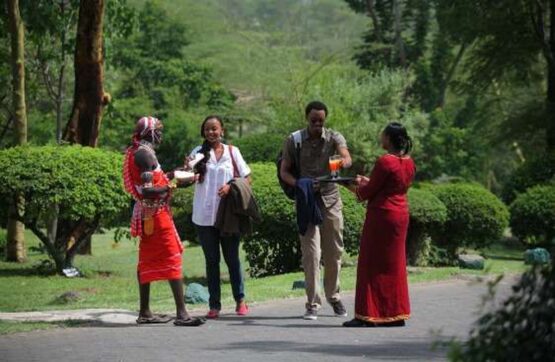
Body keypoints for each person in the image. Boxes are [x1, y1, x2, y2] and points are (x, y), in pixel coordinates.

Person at [123, 116, 204, 327]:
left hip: (149, 215)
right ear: (149, 133)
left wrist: (180, 173)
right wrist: (174, 184)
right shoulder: (143, 154)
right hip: (156, 216)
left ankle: (145, 312)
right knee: (172, 256)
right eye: (158, 131)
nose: (161, 135)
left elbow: (156, 179)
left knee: (147, 260)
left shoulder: (141, 151)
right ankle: (182, 314)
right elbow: (149, 191)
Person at [279, 101, 352, 320]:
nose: (317, 125)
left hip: (330, 199)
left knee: (334, 252)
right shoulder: (294, 140)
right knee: (311, 254)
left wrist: (341, 162)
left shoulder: (333, 137)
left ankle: (334, 297)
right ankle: (312, 303)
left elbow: (347, 157)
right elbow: (284, 172)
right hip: (307, 199)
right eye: (313, 121)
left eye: (321, 121)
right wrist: (300, 184)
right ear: (306, 119)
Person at [343, 122, 415, 327]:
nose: (380, 138)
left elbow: (367, 193)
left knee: (370, 263)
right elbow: (390, 186)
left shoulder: (385, 162)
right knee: (395, 265)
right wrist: (368, 180)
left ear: (389, 139)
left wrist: (348, 185)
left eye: (383, 135)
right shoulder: (409, 162)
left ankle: (366, 315)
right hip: (400, 215)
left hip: (382, 216)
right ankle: (395, 313)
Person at [187, 115, 252, 319]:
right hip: (204, 217)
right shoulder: (197, 153)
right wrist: (190, 172)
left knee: (232, 259)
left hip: (227, 216)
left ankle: (240, 300)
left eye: (214, 129)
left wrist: (231, 186)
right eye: (207, 129)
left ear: (222, 130)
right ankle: (214, 305)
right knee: (211, 261)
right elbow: (187, 178)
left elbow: (247, 178)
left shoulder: (233, 152)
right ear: (203, 132)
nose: (211, 132)